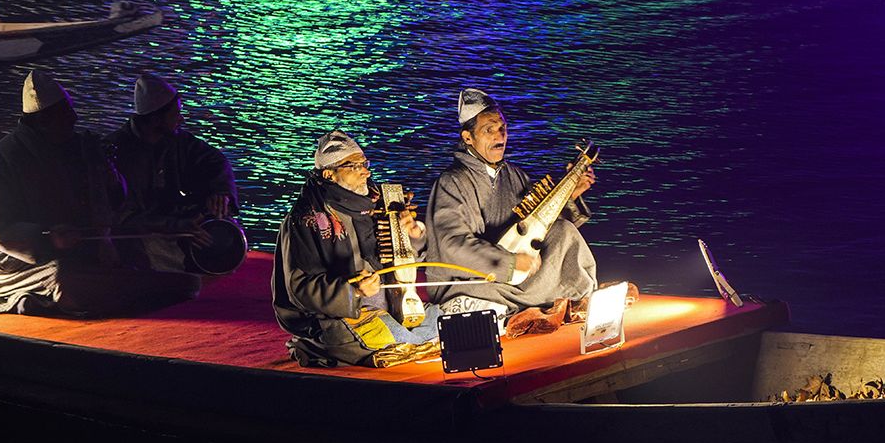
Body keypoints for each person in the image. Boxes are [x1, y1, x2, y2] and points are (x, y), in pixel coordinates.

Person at [0, 70, 201, 317]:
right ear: (43, 120)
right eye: (65, 117)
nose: (75, 119)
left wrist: (111, 177)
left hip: (82, 253)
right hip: (21, 265)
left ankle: (106, 292)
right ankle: (100, 294)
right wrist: (48, 237)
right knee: (64, 279)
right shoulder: (1, 161)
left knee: (184, 282)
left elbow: (116, 203)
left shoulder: (78, 147)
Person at [424, 88, 599, 336]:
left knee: (564, 231)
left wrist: (570, 195)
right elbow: (451, 243)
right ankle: (533, 308)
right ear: (468, 138)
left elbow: (540, 229)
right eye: (489, 130)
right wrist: (509, 262)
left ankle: (578, 299)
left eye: (502, 129)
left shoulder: (514, 175)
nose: (500, 136)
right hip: (472, 282)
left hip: (514, 274)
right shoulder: (452, 182)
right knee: (484, 296)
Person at [273, 130, 441, 368]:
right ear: (329, 174)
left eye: (365, 163)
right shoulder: (306, 219)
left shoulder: (378, 202)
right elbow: (299, 288)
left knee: (444, 322)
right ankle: (313, 344)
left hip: (393, 306)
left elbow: (409, 258)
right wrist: (354, 290)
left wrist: (413, 235)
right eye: (355, 166)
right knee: (395, 342)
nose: (366, 172)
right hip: (344, 313)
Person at [106, 72, 241, 273]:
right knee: (150, 249)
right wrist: (177, 226)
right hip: (145, 230)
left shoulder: (177, 141)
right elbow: (124, 217)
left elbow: (214, 161)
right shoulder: (117, 153)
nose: (181, 118)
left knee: (222, 223)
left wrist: (220, 193)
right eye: (175, 113)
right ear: (155, 119)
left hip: (176, 220)